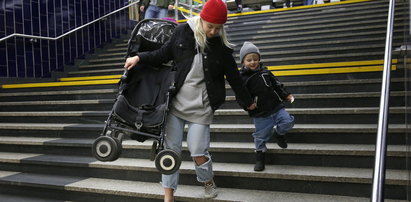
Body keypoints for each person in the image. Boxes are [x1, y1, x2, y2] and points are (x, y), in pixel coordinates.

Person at [124, 0, 257, 200]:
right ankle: (168, 196)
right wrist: (139, 58)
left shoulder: (220, 47)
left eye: (217, 27)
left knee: (198, 151)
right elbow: (162, 54)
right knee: (171, 152)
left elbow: (235, 79)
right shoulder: (183, 32)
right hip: (176, 104)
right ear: (201, 19)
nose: (213, 31)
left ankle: (207, 181)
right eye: (210, 26)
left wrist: (248, 102)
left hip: (202, 107)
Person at [239, 41, 295, 172]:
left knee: (288, 121)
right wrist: (248, 105)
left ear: (259, 59)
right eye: (249, 60)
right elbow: (240, 96)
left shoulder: (265, 72)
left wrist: (286, 95)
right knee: (260, 136)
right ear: (243, 62)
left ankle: (279, 133)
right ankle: (260, 158)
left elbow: (277, 85)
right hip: (260, 113)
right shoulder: (242, 78)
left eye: (255, 59)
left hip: (276, 106)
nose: (252, 62)